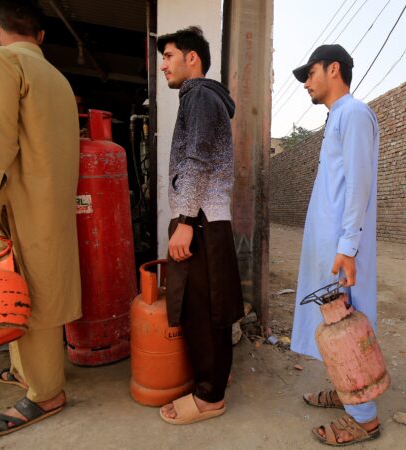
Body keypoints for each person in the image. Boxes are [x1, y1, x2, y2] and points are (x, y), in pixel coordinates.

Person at [0, 0, 81, 437]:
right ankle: (24, 371)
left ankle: (46, 392)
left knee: (24, 292)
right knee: (30, 288)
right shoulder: (59, 79)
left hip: (19, 199)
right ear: (42, 36)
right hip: (50, 201)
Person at [289, 44, 381, 446]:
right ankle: (347, 394)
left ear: (334, 69)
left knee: (345, 325)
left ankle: (363, 418)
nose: (307, 82)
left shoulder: (355, 114)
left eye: (310, 73)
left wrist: (347, 247)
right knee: (331, 324)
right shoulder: (337, 118)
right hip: (329, 244)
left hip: (342, 249)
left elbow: (359, 186)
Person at [156, 26, 244, 425]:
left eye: (170, 55)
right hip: (206, 218)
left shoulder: (201, 96)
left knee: (205, 310)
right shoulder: (201, 98)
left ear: (193, 58)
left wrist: (186, 220)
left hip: (202, 219)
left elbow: (197, 159)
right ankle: (213, 378)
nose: (163, 65)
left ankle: (210, 396)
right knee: (209, 306)